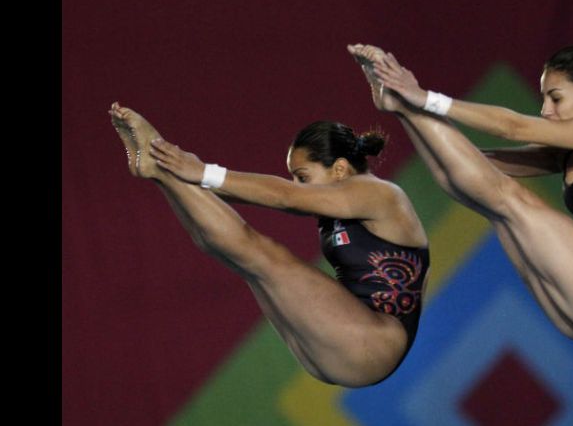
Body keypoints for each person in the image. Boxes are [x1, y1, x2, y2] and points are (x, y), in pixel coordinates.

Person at [347, 44, 573, 341]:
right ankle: (400, 108)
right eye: (545, 98)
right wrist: (411, 113)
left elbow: (513, 127)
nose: (546, 110)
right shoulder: (571, 151)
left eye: (556, 98)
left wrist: (426, 99)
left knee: (507, 198)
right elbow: (476, 168)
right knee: (484, 197)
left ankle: (408, 105)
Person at [107, 102, 430, 387]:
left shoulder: (380, 193)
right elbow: (278, 198)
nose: (296, 185)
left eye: (302, 176)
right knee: (242, 259)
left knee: (265, 256)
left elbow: (284, 196)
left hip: (372, 344)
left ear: (340, 168)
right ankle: (159, 172)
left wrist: (203, 171)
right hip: (342, 348)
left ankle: (160, 164)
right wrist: (182, 175)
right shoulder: (338, 202)